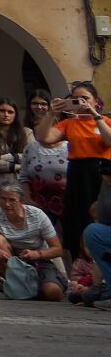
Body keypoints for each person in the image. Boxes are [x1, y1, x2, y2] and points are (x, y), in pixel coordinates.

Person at [0, 177, 65, 300]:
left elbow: (57, 249)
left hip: (38, 261)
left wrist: (37, 254)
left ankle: (26, 287)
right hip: (11, 262)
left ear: (21, 201)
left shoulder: (37, 215)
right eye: (3, 199)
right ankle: (16, 283)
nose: (7, 204)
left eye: (12, 200)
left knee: (53, 293)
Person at [39, 84, 108, 255]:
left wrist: (95, 114)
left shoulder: (105, 120)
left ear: (96, 101)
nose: (81, 102)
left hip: (102, 172)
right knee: (78, 216)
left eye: (85, 98)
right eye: (76, 98)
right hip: (78, 172)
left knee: (101, 214)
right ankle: (80, 261)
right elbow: (43, 137)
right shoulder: (69, 123)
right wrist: (51, 113)